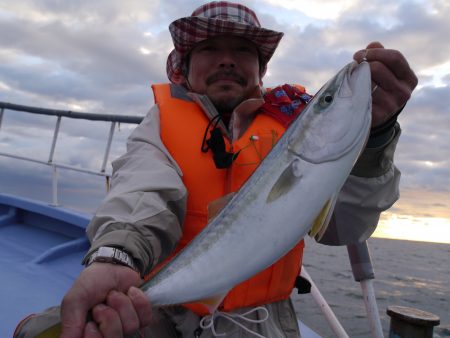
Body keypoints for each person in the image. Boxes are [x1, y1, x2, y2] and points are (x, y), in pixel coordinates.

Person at [15, 1, 418, 337]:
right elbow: (141, 192)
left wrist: (376, 138)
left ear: (261, 71)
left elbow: (342, 228)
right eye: (210, 49)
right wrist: (116, 255)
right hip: (165, 313)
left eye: (243, 51)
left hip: (266, 323)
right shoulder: (161, 124)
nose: (227, 60)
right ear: (184, 67)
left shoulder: (292, 131)